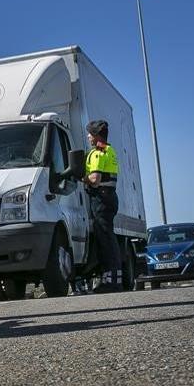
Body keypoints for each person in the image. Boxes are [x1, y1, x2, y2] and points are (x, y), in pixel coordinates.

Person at [84, 120, 122, 293]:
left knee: (105, 241)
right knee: (109, 239)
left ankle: (110, 282)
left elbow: (95, 179)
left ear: (97, 135)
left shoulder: (98, 152)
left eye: (90, 134)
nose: (88, 136)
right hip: (110, 197)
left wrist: (81, 177)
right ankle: (115, 278)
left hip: (101, 199)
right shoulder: (110, 149)